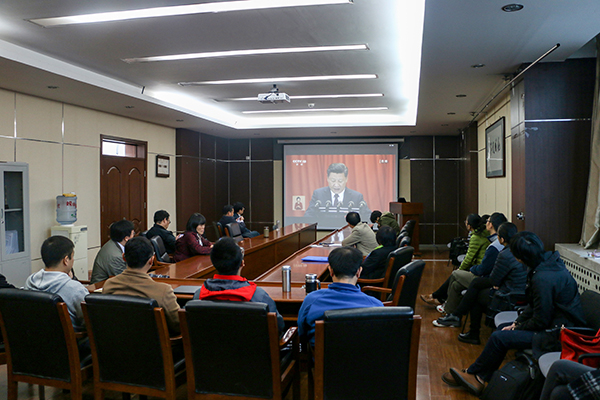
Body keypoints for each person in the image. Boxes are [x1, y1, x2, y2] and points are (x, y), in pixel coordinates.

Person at [447, 231, 585, 396]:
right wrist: (517, 323)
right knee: (503, 331)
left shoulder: (542, 279)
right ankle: (478, 375)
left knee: (499, 337)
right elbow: (534, 306)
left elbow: (541, 320)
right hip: (554, 325)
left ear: (520, 257)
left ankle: (477, 375)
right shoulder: (548, 263)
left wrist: (517, 327)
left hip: (558, 334)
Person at [436, 222, 527, 341]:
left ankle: (467, 326)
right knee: (475, 285)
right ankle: (458, 317)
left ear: (502, 239)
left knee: (476, 293)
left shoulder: (505, 254)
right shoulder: (521, 249)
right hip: (520, 292)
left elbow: (494, 280)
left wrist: (496, 283)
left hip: (508, 295)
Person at [193, 237, 284, 332]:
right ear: (242, 263)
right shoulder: (258, 296)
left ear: (213, 263)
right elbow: (278, 325)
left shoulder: (199, 296)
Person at [297, 246, 384, 345]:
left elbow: (302, 334)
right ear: (359, 272)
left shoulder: (311, 300)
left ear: (331, 271)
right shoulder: (376, 306)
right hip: (363, 354)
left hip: (322, 354)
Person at [432, 212, 506, 326]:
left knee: (456, 274)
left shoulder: (494, 246)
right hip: (486, 275)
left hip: (486, 278)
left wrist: (472, 269)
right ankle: (451, 314)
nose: (486, 223)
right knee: (456, 285)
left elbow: (483, 268)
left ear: (491, 225)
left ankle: (445, 305)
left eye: (488, 221)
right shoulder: (493, 240)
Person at [103, 236, 181, 334]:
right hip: (153, 343)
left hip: (116, 341)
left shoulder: (109, 285)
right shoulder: (163, 291)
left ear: (124, 257)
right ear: (151, 260)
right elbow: (178, 325)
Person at [420, 213, 489, 307]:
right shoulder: (483, 233)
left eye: (466, 222)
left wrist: (460, 269)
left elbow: (468, 259)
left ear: (469, 226)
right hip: (478, 267)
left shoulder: (476, 238)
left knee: (455, 274)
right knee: (455, 280)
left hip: (478, 270)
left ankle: (438, 298)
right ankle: (439, 298)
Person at [25, 236, 88, 331]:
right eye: (72, 256)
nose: (73, 260)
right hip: (70, 340)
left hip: (34, 338)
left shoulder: (30, 281)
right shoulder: (75, 288)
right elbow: (90, 321)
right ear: (66, 260)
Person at [304, 163, 370, 219]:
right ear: (327, 178)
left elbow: (367, 216)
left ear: (346, 179)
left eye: (340, 181)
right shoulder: (318, 194)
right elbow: (308, 215)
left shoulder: (356, 197)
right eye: (333, 181)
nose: (336, 184)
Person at [90, 219, 135, 284]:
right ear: (126, 238)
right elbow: (124, 279)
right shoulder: (115, 256)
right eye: (133, 234)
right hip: (101, 287)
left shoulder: (114, 243)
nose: (134, 236)